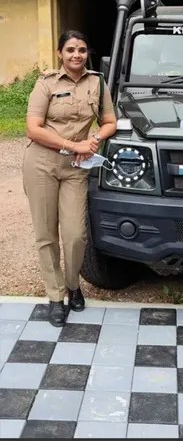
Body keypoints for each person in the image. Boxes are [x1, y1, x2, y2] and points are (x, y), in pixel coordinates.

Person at [23, 30, 117, 327]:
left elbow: (110, 122)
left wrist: (95, 138)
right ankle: (56, 296)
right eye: (71, 50)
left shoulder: (97, 82)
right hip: (42, 163)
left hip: (77, 167)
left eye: (82, 50)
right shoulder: (46, 83)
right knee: (46, 234)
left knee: (76, 235)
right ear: (60, 53)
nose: (76, 55)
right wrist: (74, 145)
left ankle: (73, 283)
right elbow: (33, 129)